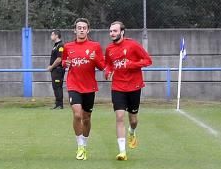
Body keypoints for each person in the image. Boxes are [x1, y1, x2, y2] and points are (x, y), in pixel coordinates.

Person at [103, 21, 153, 161]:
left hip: (134, 87)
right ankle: (122, 152)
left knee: (133, 119)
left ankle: (132, 131)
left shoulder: (133, 45)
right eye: (111, 31)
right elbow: (108, 64)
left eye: (115, 31)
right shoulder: (109, 49)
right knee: (119, 117)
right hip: (118, 87)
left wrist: (132, 64)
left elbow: (148, 61)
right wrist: (107, 71)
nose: (112, 33)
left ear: (122, 32)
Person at [62, 18, 106, 161]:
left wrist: (95, 59)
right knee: (77, 115)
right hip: (73, 85)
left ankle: (85, 145)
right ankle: (80, 146)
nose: (81, 30)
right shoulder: (68, 47)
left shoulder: (95, 46)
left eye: (84, 28)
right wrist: (65, 63)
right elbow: (64, 62)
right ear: (74, 30)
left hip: (89, 87)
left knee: (86, 118)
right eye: (79, 28)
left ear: (88, 30)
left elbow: (102, 66)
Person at [47, 30, 65, 109]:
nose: (51, 36)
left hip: (58, 69)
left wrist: (51, 67)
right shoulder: (55, 45)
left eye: (52, 34)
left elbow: (59, 59)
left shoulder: (60, 46)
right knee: (56, 86)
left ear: (56, 35)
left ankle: (59, 105)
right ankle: (57, 104)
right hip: (55, 70)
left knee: (57, 86)